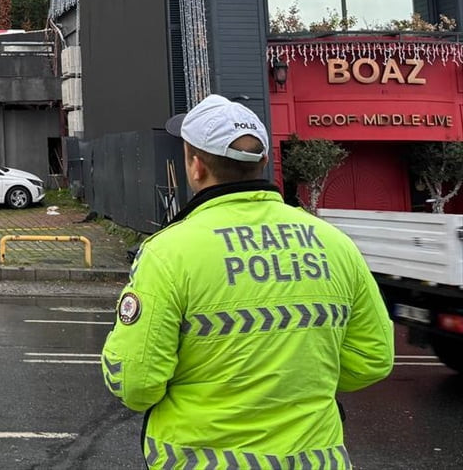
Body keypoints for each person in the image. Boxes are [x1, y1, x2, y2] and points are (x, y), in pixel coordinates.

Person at [101, 94, 393, 470]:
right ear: (263, 162)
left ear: (196, 167)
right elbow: (373, 358)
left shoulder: (168, 252)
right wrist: (298, 381)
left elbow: (135, 383)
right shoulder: (334, 243)